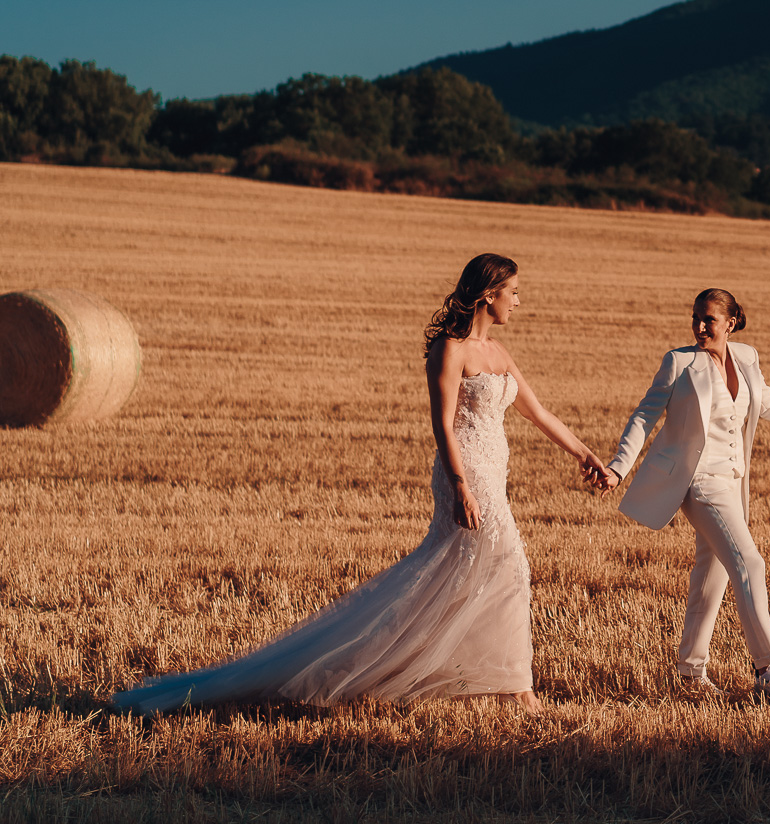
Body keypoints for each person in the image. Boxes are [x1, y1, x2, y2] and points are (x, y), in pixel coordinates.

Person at [114, 253, 612, 715]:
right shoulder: (450, 349)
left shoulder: (498, 351)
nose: (519, 301)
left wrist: (586, 455)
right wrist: (459, 484)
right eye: (514, 292)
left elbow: (538, 412)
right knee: (507, 565)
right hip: (466, 471)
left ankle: (489, 678)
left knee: (472, 576)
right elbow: (441, 423)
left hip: (495, 472)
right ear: (489, 295)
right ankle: (516, 690)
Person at [603, 288, 770, 699]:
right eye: (695, 317)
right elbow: (645, 414)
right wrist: (619, 467)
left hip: (731, 481)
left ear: (730, 323)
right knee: (750, 562)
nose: (699, 327)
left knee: (711, 579)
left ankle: (690, 674)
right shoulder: (680, 362)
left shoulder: (746, 357)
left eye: (708, 319)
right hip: (698, 481)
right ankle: (768, 668)